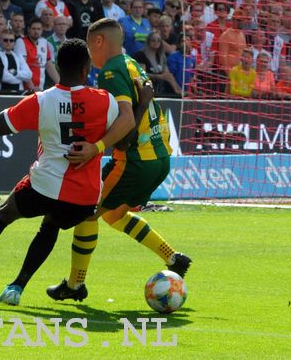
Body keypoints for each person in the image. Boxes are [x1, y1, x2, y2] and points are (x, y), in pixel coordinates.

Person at [0, 38, 134, 305]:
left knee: (5, 214)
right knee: (50, 226)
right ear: (86, 69)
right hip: (84, 199)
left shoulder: (41, 101)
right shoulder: (105, 101)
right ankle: (16, 287)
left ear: (58, 66)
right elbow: (123, 141)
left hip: (45, 185)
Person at [46, 18, 191, 303]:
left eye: (89, 45)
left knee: (86, 211)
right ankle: (173, 258)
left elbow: (126, 121)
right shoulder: (131, 63)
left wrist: (96, 146)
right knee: (112, 214)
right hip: (158, 158)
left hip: (135, 160)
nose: (88, 53)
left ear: (99, 42)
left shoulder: (111, 71)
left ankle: (75, 286)